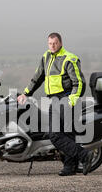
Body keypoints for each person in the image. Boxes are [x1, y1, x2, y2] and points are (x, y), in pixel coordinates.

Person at [17, 32, 93, 176]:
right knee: (67, 135)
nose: (52, 46)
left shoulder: (69, 59)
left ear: (61, 43)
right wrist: (25, 93)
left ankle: (84, 155)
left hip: (66, 99)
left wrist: (71, 100)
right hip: (54, 100)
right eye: (50, 43)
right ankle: (70, 167)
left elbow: (79, 83)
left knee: (55, 135)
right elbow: (37, 78)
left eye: (55, 43)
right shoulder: (46, 57)